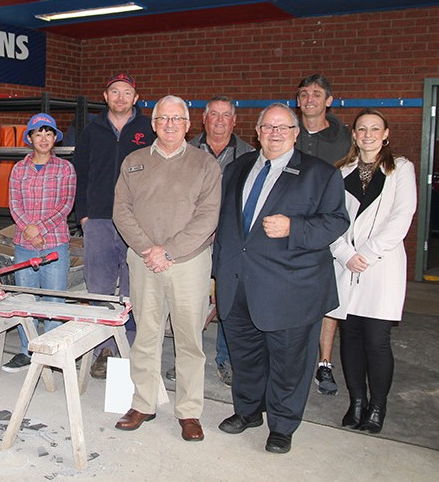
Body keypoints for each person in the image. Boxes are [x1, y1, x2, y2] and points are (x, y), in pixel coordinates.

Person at [214, 103, 349, 454]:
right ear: (257, 132)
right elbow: (226, 224)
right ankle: (248, 411)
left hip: (291, 288)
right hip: (238, 283)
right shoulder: (237, 168)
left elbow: (337, 222)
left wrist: (295, 228)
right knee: (245, 356)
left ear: (295, 133)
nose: (274, 133)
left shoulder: (320, 174)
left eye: (283, 127)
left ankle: (283, 426)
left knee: (289, 363)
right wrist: (218, 275)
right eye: (267, 127)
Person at [112, 95, 221, 442]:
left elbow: (208, 216)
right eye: (163, 119)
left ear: (189, 126)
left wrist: (169, 251)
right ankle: (143, 402)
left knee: (190, 339)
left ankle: (189, 412)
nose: (170, 125)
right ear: (154, 123)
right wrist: (148, 249)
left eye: (177, 119)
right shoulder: (133, 162)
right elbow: (121, 211)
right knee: (145, 334)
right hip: (144, 261)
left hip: (189, 262)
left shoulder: (205, 165)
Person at [328, 109, 417, 433]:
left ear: (386, 133)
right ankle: (356, 403)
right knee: (349, 338)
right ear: (354, 135)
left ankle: (377, 407)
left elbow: (402, 216)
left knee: (376, 340)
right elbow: (333, 219)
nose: (368, 134)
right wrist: (343, 253)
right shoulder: (341, 172)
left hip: (381, 266)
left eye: (374, 129)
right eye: (362, 129)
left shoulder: (400, 169)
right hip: (347, 265)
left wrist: (365, 252)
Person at [72, 73, 156, 379]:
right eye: (114, 92)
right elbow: (78, 173)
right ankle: (103, 348)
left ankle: (129, 350)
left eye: (127, 93)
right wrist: (83, 215)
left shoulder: (149, 129)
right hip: (99, 221)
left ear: (136, 98)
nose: (120, 97)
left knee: (135, 290)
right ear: (105, 97)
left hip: (137, 224)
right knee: (100, 288)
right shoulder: (91, 130)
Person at [182, 95, 255, 387]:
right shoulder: (186, 151)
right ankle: (189, 361)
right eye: (214, 114)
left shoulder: (249, 154)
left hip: (232, 241)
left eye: (226, 115)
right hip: (193, 239)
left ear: (234, 121)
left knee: (228, 302)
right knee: (191, 301)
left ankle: (226, 359)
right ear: (204, 119)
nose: (220, 120)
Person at [2, 113, 76, 371]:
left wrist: (40, 228)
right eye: (38, 134)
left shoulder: (65, 168)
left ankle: (51, 351)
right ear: (30, 138)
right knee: (26, 300)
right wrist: (29, 230)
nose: (43, 139)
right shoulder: (19, 169)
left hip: (54, 242)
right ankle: (27, 350)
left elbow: (66, 204)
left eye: (48, 134)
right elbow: (14, 204)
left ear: (55, 138)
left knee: (54, 301)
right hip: (24, 244)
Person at [295, 73, 352, 396]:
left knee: (329, 297)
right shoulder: (287, 130)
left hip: (330, 227)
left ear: (328, 100)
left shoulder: (344, 138)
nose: (310, 99)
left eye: (316, 94)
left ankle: (325, 363)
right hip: (291, 227)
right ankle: (296, 357)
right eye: (304, 94)